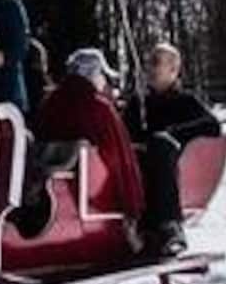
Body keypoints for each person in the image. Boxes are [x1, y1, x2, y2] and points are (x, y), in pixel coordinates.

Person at [123, 43, 222, 257]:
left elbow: (212, 125)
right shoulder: (139, 103)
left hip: (170, 165)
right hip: (138, 166)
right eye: (149, 63)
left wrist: (172, 134)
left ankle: (170, 225)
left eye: (156, 63)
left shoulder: (185, 101)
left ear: (173, 70)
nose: (150, 69)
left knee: (160, 145)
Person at [32, 47, 146, 224]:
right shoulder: (99, 107)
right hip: (94, 196)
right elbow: (120, 157)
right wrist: (133, 206)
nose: (104, 81)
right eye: (102, 75)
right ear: (94, 74)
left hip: (46, 191)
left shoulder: (49, 103)